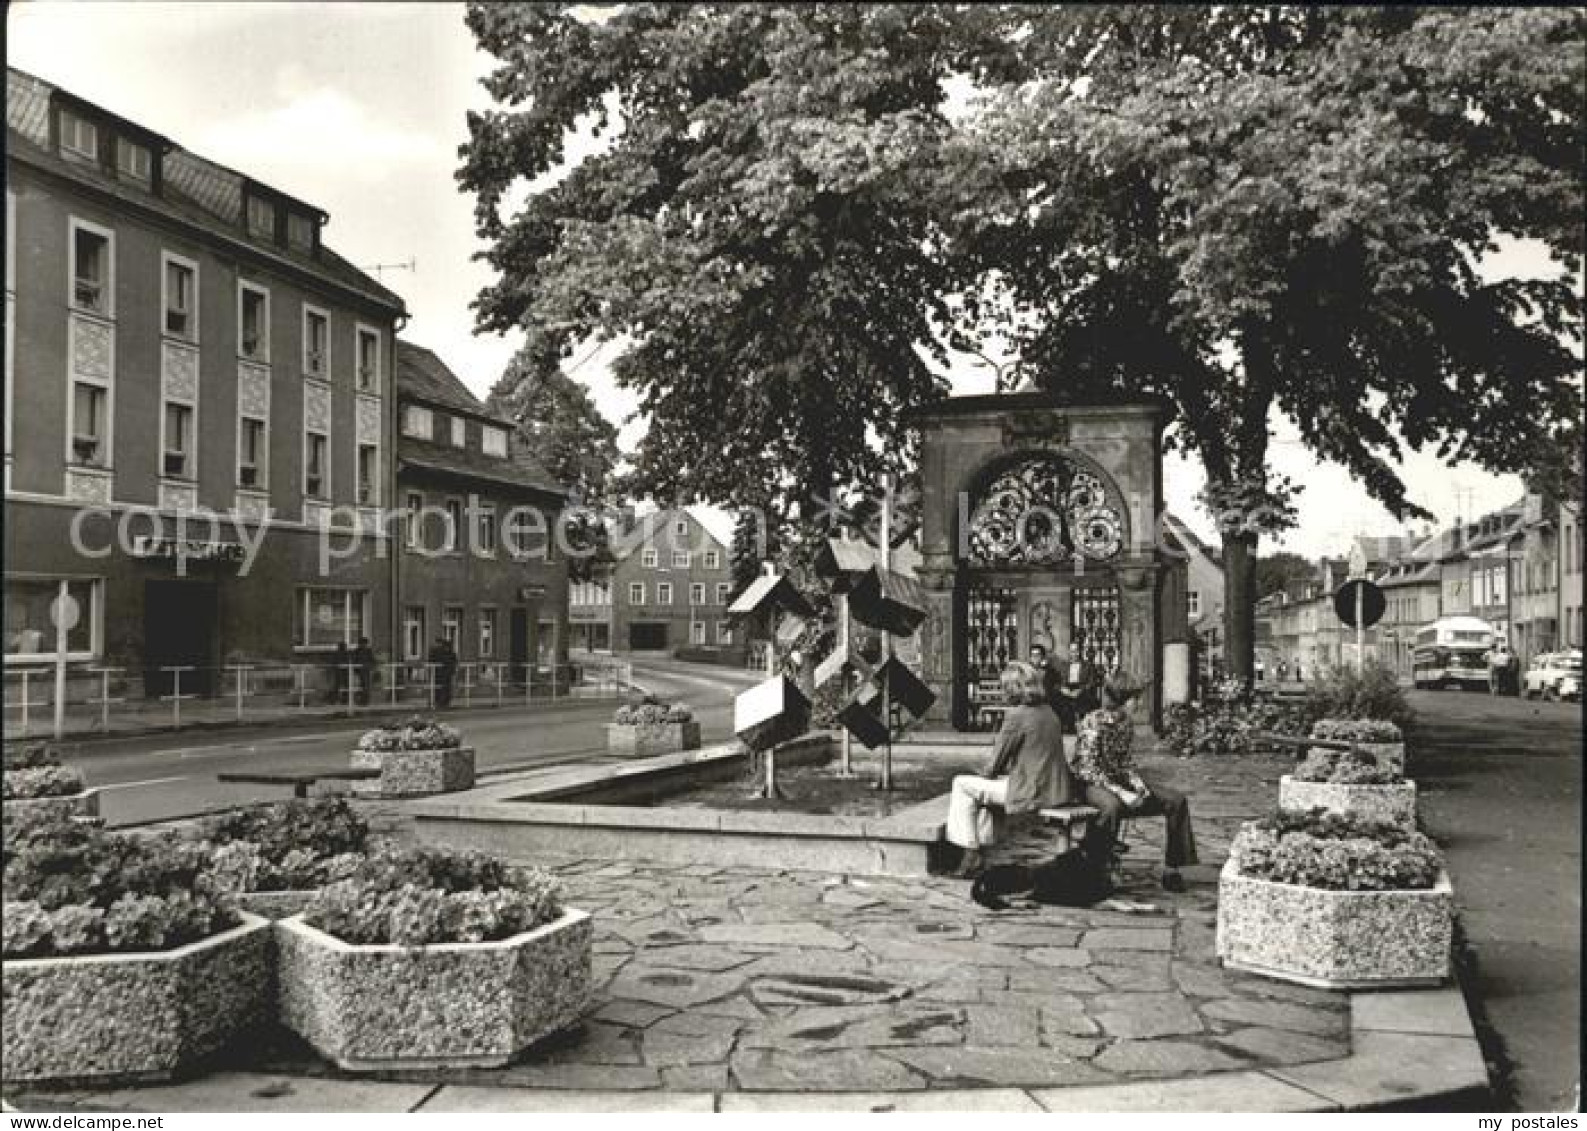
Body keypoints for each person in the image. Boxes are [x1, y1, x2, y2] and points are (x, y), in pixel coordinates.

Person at [946, 661, 1081, 878]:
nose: (1003, 691)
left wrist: (979, 769)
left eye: (1005, 687)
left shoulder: (1016, 716)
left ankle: (971, 852)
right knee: (979, 795)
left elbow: (994, 765)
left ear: (1014, 688)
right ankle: (978, 854)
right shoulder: (1049, 712)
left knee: (961, 785)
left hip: (1032, 791)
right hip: (1056, 789)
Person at [1070, 677, 1199, 892]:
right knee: (1112, 807)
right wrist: (1121, 791)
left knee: (1176, 801)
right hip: (1089, 784)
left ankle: (1172, 868)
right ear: (1121, 700)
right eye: (1134, 699)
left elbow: (1126, 763)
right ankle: (1098, 866)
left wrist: (1139, 787)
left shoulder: (1125, 722)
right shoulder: (1092, 723)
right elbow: (1087, 769)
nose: (1138, 704)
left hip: (1117, 780)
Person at [1028, 643, 1064, 720]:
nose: (1035, 657)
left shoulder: (1050, 671)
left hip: (1047, 702)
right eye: (1033, 655)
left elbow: (1057, 685)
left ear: (1042, 657)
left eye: (1037, 655)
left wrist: (1046, 667)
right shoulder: (1026, 670)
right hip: (1030, 701)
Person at [352, 637, 376, 706]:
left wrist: (372, 665)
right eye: (363, 644)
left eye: (365, 644)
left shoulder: (368, 651)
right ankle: (361, 700)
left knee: (366, 686)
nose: (364, 645)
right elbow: (354, 660)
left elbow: (372, 660)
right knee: (362, 686)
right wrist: (356, 669)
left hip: (366, 671)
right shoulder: (357, 651)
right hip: (359, 671)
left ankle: (365, 701)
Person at [330, 641, 350, 705]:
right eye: (342, 646)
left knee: (345, 685)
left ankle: (345, 699)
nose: (343, 648)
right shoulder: (337, 653)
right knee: (337, 685)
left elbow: (349, 661)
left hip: (345, 671)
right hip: (339, 671)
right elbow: (334, 662)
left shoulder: (346, 653)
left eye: (344, 646)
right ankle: (335, 699)